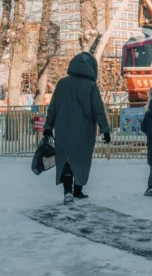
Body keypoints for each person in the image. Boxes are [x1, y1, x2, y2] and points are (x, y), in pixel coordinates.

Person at [43, 52, 111, 205]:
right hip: (84, 130)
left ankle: (67, 191)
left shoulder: (62, 83)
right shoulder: (91, 86)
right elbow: (98, 110)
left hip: (62, 129)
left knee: (65, 159)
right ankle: (78, 190)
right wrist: (105, 129)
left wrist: (48, 127)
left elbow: (53, 107)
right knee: (81, 159)